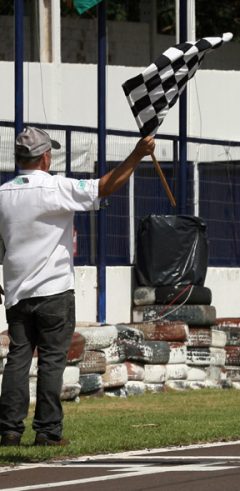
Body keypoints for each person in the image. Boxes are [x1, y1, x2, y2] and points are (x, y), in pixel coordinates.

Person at [0, 126, 155, 447]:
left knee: (18, 358)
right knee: (52, 360)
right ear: (45, 157)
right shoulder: (55, 187)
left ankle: (9, 430)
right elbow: (105, 186)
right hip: (54, 290)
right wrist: (138, 154)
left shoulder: (3, 194)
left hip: (17, 292)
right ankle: (47, 431)